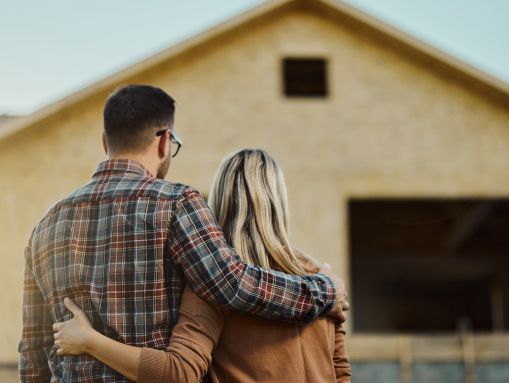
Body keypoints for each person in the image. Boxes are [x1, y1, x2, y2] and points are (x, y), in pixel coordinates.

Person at [18, 85, 349, 382]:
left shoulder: (43, 228)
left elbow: (33, 355)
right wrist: (324, 292)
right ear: (165, 141)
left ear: (105, 141)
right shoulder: (176, 203)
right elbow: (233, 284)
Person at [52, 149, 351, 382]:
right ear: (280, 202)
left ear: (218, 201)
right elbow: (341, 373)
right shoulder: (323, 281)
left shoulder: (211, 282)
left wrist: (90, 342)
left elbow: (177, 373)